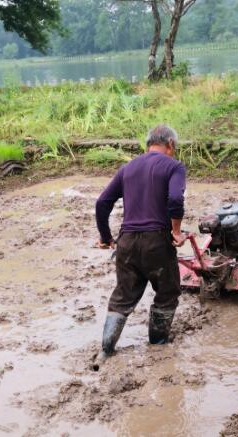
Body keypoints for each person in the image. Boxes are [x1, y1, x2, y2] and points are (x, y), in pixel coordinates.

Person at [95, 124, 187, 356]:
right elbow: (175, 199)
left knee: (123, 296)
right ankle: (157, 346)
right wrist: (176, 232)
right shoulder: (174, 167)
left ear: (147, 145)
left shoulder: (127, 168)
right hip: (157, 242)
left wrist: (106, 237)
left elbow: (102, 203)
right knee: (167, 293)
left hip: (125, 242)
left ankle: (107, 347)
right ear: (171, 145)